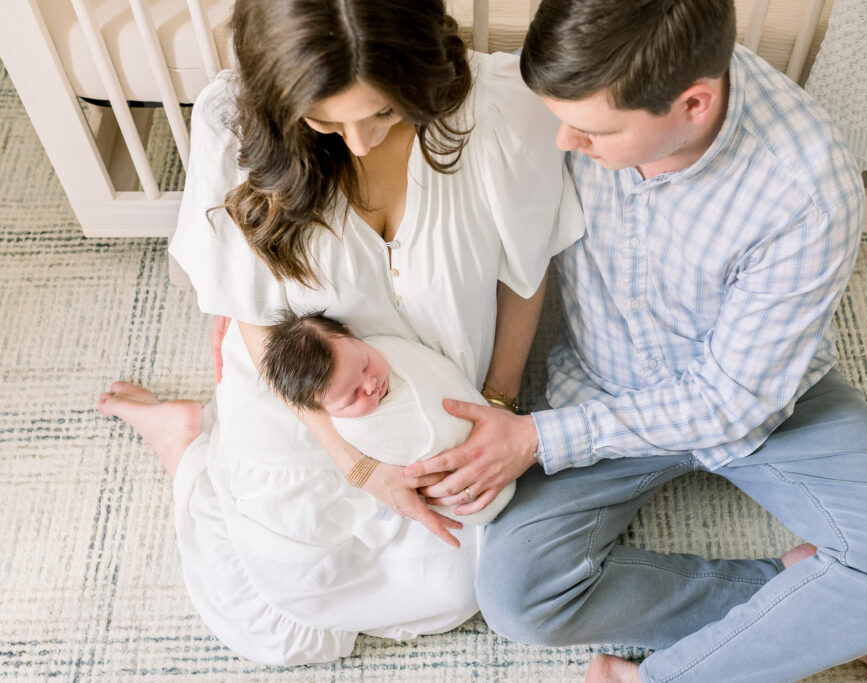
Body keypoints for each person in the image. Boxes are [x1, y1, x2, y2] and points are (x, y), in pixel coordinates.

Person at [406, 1, 867, 681]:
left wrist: (536, 437)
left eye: (593, 132)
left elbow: (734, 402)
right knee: (518, 596)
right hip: (602, 382)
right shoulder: (580, 105)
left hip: (767, 402)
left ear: (694, 104)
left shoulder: (807, 185)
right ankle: (800, 603)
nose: (564, 145)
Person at [97, 0, 582, 666]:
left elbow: (527, 273)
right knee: (283, 616)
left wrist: (498, 400)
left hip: (434, 402)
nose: (358, 143)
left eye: (384, 112)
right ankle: (186, 446)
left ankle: (193, 442)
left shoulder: (498, 113)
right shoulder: (233, 126)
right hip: (305, 400)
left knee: (460, 583)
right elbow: (256, 317)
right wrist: (357, 464)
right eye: (326, 121)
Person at [259, 309, 515, 524]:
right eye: (352, 396)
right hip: (465, 493)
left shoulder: (387, 348)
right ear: (325, 411)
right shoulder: (357, 429)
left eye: (365, 365)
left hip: (500, 434)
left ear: (351, 335)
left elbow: (439, 373)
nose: (370, 385)